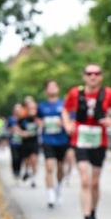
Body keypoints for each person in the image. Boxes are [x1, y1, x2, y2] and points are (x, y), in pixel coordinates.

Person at [62, 63, 111, 219]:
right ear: (84, 76)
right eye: (89, 73)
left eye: (96, 73)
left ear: (101, 76)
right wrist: (67, 124)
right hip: (80, 139)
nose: (93, 76)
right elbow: (65, 110)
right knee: (85, 180)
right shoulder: (75, 93)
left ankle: (93, 213)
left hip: (99, 141)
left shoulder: (108, 93)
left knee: (94, 183)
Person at [38, 80, 70, 208]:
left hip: (62, 140)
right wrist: (41, 123)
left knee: (60, 167)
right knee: (49, 167)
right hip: (48, 140)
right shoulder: (41, 106)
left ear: (58, 88)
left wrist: (63, 123)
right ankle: (50, 194)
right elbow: (37, 118)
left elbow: (70, 120)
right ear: (46, 90)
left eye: (54, 86)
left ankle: (59, 187)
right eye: (49, 86)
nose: (52, 88)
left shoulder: (64, 105)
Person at [16, 97, 40, 187]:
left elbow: (42, 126)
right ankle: (26, 171)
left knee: (34, 160)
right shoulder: (22, 117)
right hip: (25, 142)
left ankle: (33, 179)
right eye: (28, 106)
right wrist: (22, 133)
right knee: (26, 161)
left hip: (34, 141)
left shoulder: (38, 117)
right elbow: (17, 128)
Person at [8, 103, 24, 181]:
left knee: (21, 158)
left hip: (22, 141)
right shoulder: (11, 119)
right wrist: (12, 130)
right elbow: (7, 129)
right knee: (15, 157)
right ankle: (15, 171)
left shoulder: (24, 118)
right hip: (13, 141)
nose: (18, 111)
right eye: (16, 110)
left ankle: (18, 171)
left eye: (19, 109)